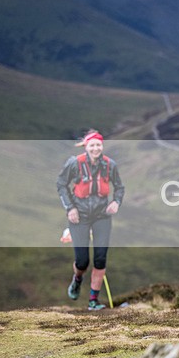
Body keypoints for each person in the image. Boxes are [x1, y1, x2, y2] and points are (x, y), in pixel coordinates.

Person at [57, 130, 125, 310]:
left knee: (100, 259)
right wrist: (70, 208)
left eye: (98, 145)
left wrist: (116, 202)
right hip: (79, 216)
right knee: (82, 261)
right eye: (92, 145)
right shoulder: (74, 163)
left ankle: (93, 302)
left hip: (102, 216)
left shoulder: (110, 165)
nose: (96, 148)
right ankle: (77, 279)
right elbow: (61, 184)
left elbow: (119, 187)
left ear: (102, 146)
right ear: (86, 146)